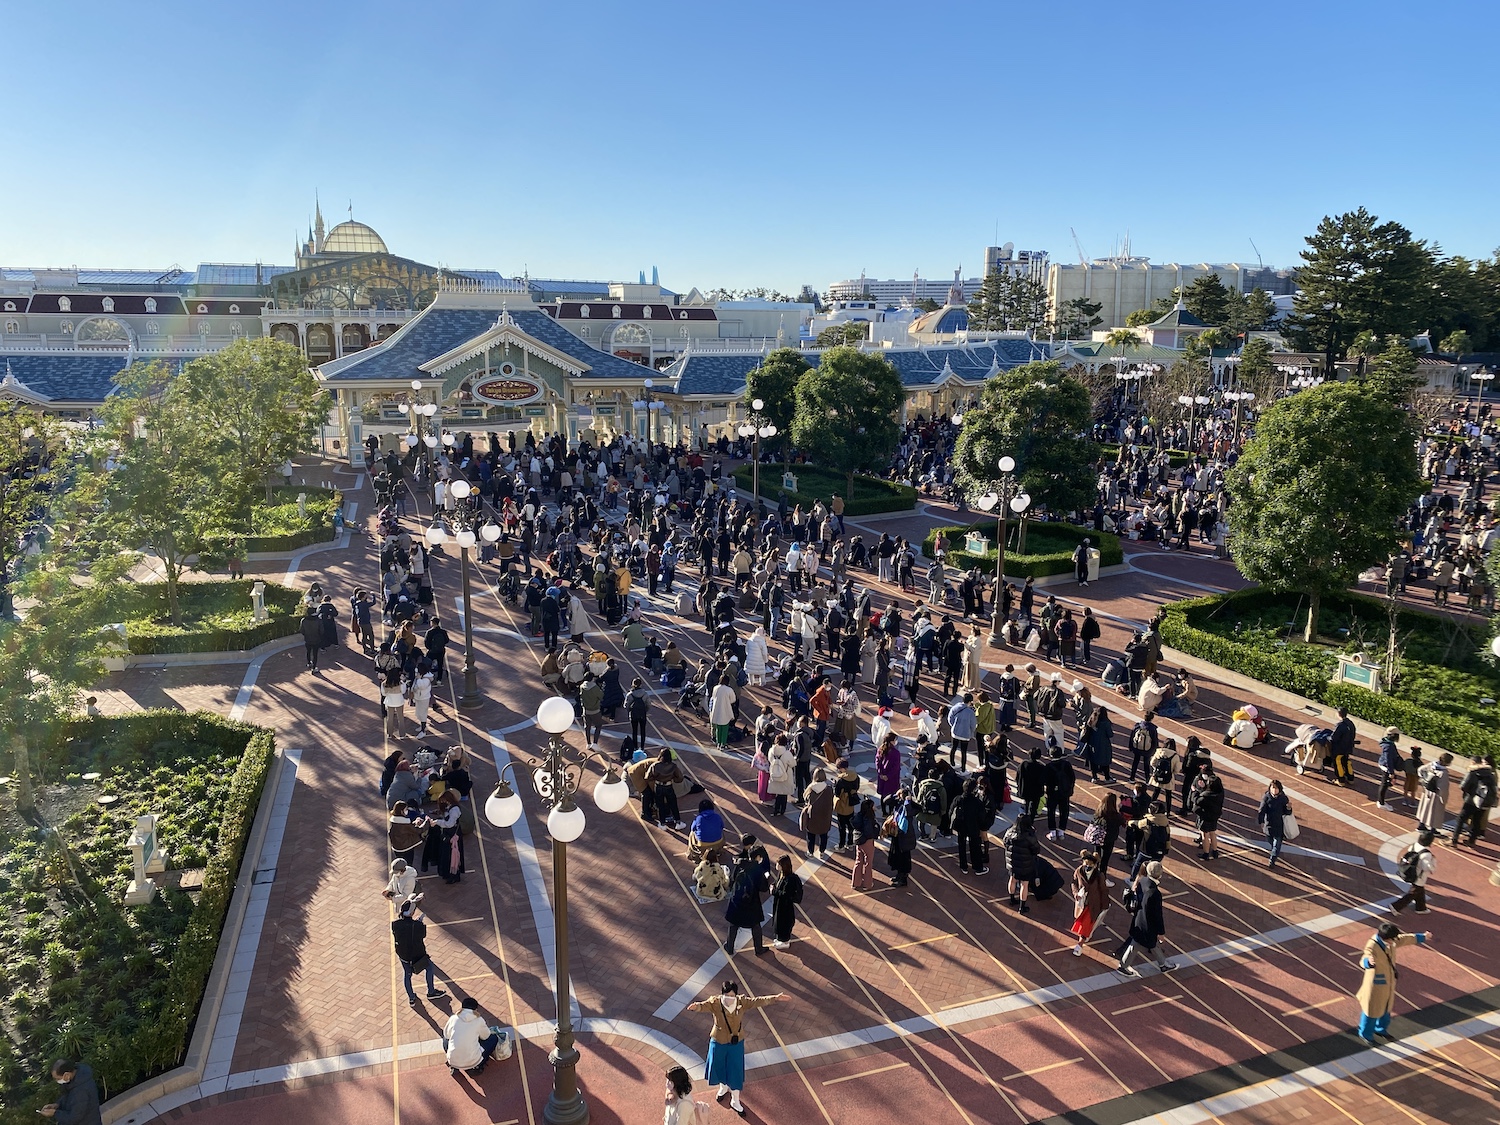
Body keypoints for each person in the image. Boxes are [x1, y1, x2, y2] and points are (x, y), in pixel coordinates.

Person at [684, 981, 789, 1118]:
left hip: (736, 1042)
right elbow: (703, 1006)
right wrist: (696, 1007)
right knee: (719, 1067)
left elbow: (757, 1001)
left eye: (732, 996)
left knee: (735, 1071)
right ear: (722, 994)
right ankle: (723, 1088)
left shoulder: (742, 1001)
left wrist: (775, 998)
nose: (729, 999)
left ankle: (735, 1100)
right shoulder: (715, 1002)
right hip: (719, 1041)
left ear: (736, 995)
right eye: (726, 995)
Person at [1354, 922, 1431, 1044]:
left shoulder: (1391, 941)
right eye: (1393, 939)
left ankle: (1380, 1029)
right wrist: (1368, 962)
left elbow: (1404, 939)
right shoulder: (1372, 945)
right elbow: (1365, 958)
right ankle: (1365, 1034)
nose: (1395, 941)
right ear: (1386, 938)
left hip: (1388, 981)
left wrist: (1422, 937)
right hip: (1375, 984)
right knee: (1372, 1009)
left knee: (1386, 1008)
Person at [1115, 861, 1177, 976]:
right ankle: (1123, 966)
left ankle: (1163, 964)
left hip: (1139, 918)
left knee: (1148, 944)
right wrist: (1161, 932)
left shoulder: (1142, 881)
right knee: (1140, 944)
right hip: (1148, 924)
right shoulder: (1155, 893)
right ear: (1159, 875)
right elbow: (1157, 915)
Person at [391, 898, 447, 1007]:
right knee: (429, 968)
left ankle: (411, 998)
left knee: (407, 975)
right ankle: (431, 992)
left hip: (403, 955)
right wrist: (418, 923)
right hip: (418, 955)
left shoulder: (395, 924)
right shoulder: (417, 926)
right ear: (412, 913)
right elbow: (422, 936)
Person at [722, 844, 771, 955]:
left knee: (734, 924)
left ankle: (729, 947)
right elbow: (763, 888)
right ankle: (758, 949)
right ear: (758, 857)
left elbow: (733, 879)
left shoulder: (740, 864)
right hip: (752, 901)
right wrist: (766, 879)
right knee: (755, 925)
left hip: (737, 899)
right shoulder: (758, 870)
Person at [443, 996, 503, 1076]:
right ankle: (478, 1065)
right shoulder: (479, 1020)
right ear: (475, 1009)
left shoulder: (453, 1018)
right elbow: (486, 1036)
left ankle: (454, 1066)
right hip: (473, 1061)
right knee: (493, 1039)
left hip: (452, 1061)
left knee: (446, 1038)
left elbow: (446, 1035)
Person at [1068, 850, 1109, 957]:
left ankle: (1079, 946)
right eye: (1085, 865)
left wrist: (1105, 905)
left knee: (1086, 925)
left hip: (1093, 905)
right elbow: (1074, 882)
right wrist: (1076, 893)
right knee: (1081, 923)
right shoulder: (1078, 871)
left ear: (1095, 866)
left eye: (1090, 866)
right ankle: (1085, 937)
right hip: (1081, 903)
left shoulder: (1099, 876)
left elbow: (1104, 891)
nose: (1087, 868)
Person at [1451, 755, 1497, 847]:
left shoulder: (1473, 772)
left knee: (1461, 819)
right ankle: (1472, 841)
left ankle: (1454, 841)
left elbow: (1463, 786)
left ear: (1473, 763)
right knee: (1477, 821)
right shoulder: (1490, 773)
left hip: (1471, 800)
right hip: (1484, 801)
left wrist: (1469, 792)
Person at [38, 1058, 101, 1124]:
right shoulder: (76, 1079)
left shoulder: (81, 1091)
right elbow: (68, 1098)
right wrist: (56, 1105)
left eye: (58, 1078)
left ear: (66, 1075)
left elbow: (74, 1117)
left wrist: (55, 1113)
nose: (57, 1081)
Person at [1003, 814, 1041, 914]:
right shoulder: (1029, 836)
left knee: (1012, 879)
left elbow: (1004, 842)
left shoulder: (1010, 831)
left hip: (1012, 863)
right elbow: (1036, 849)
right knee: (1024, 884)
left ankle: (1011, 899)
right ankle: (1022, 907)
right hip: (1026, 864)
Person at [1391, 830, 1436, 914]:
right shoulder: (1426, 854)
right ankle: (1396, 906)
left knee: (1419, 890)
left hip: (1411, 871)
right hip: (1419, 876)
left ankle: (1421, 907)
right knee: (1414, 892)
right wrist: (1433, 861)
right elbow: (1427, 868)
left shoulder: (1414, 846)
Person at [1256, 779, 1293, 868]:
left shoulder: (1283, 799)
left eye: (1276, 788)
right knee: (1270, 841)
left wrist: (1288, 808)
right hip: (1269, 825)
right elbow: (1261, 810)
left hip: (1279, 826)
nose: (1274, 790)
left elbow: (1287, 813)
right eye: (1273, 788)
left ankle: (1272, 860)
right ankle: (1274, 852)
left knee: (1277, 845)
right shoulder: (1266, 797)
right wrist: (1261, 821)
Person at [771, 854, 804, 949]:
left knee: (783, 923)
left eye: (778, 864)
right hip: (779, 904)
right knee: (778, 921)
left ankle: (785, 941)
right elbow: (777, 883)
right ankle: (780, 938)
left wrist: (774, 891)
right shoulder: (781, 874)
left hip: (785, 906)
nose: (776, 865)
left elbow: (786, 894)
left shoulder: (789, 880)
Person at [1415, 752, 1454, 833]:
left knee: (1425, 808)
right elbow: (1443, 788)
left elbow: (1420, 769)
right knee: (1434, 812)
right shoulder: (1443, 773)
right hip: (1435, 794)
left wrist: (1423, 779)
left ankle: (1421, 825)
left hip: (1427, 790)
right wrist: (1443, 799)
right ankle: (1433, 829)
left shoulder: (1432, 765)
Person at [800, 767, 834, 857]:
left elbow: (805, 797)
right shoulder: (829, 789)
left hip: (813, 815)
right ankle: (822, 852)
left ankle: (810, 852)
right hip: (825, 815)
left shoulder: (811, 788)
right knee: (824, 835)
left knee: (811, 835)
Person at [852, 796, 879, 891]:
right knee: (868, 863)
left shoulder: (859, 816)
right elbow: (869, 832)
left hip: (859, 841)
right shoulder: (869, 818)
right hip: (867, 841)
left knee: (858, 860)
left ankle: (856, 882)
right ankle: (867, 884)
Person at [688, 798, 725, 864]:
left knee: (692, 834)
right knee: (721, 831)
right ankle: (718, 851)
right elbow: (722, 826)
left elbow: (692, 828)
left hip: (703, 845)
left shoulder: (699, 818)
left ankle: (694, 855)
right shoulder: (717, 816)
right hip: (718, 842)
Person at [300, 607, 323, 671]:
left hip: (307, 639)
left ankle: (309, 663)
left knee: (308, 652)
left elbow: (302, 630)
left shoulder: (304, 620)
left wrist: (306, 635)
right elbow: (322, 631)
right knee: (315, 654)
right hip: (316, 639)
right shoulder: (318, 620)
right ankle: (314, 667)